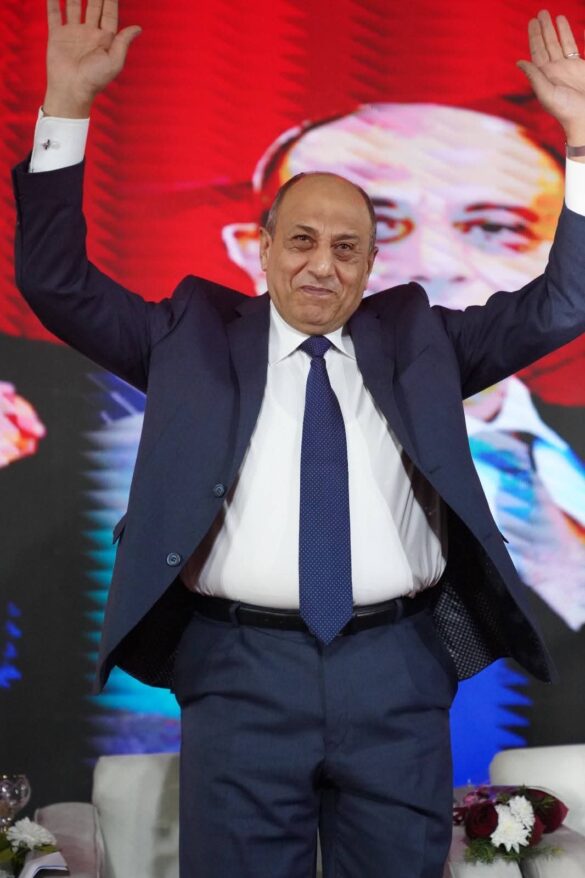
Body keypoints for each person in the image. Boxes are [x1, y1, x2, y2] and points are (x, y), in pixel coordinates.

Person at [11, 3, 585, 876]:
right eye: (303, 241)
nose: (323, 264)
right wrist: (67, 104)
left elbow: (563, 303)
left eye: (348, 248)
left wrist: (579, 139)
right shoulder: (188, 336)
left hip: (397, 671)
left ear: (371, 265)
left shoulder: (423, 342)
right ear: (263, 246)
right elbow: (55, 284)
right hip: (238, 672)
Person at [223, 100, 585, 631]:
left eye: (494, 226)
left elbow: (567, 302)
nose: (434, 263)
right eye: (388, 225)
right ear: (255, 252)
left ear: (552, 254)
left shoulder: (563, 431)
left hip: (410, 671)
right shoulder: (182, 408)